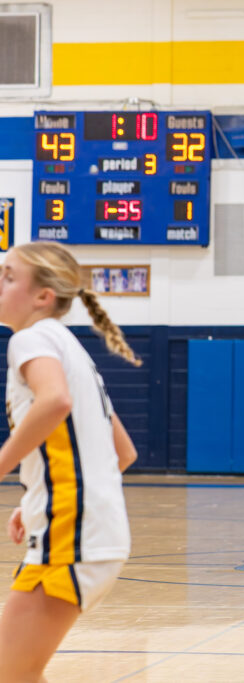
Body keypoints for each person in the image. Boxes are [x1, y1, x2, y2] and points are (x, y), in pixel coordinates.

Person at [0, 242, 138, 683]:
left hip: (73, 536)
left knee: (13, 673)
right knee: (18, 672)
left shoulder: (31, 338)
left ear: (42, 296)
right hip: (80, 531)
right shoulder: (69, 347)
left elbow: (55, 401)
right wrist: (36, 499)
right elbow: (123, 453)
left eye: (8, 276)